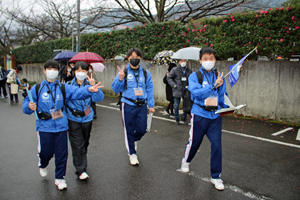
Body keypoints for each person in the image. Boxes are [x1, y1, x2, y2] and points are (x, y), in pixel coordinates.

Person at [22, 60, 103, 190]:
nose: (52, 71)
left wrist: (89, 89)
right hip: (44, 126)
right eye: (49, 69)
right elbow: (26, 105)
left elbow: (77, 93)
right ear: (44, 71)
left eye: (55, 69)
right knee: (46, 152)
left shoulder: (63, 87)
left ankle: (60, 178)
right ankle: (43, 163)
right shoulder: (37, 88)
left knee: (62, 152)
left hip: (61, 125)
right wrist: (29, 107)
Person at [180, 47, 229, 191]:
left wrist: (226, 107)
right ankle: (186, 160)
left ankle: (216, 176)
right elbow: (197, 94)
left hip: (214, 116)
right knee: (195, 142)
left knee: (216, 145)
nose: (209, 61)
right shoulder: (194, 76)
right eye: (206, 58)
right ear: (200, 60)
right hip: (199, 114)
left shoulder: (219, 76)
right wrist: (214, 86)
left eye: (211, 58)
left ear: (215, 60)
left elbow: (221, 96)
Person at [112, 47, 155, 166]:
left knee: (142, 129)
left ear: (140, 58)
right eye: (132, 57)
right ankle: (132, 154)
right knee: (129, 129)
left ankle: (132, 140)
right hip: (128, 104)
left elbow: (150, 89)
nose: (134, 59)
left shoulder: (145, 73)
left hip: (142, 105)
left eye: (136, 57)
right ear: (128, 58)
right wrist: (120, 78)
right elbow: (115, 89)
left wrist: (151, 105)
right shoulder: (123, 71)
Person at [66, 61, 105, 180]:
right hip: (73, 118)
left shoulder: (90, 84)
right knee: (77, 144)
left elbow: (99, 99)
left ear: (87, 72)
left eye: (83, 70)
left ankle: (81, 160)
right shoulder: (68, 85)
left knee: (84, 142)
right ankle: (80, 170)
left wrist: (95, 88)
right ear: (74, 72)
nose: (80, 73)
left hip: (87, 118)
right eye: (78, 70)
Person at [167, 59, 192, 125]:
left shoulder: (189, 70)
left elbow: (192, 79)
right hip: (177, 90)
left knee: (186, 105)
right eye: (181, 61)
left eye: (184, 61)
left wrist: (189, 86)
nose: (183, 62)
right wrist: (174, 85)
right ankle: (177, 118)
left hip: (186, 90)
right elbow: (169, 78)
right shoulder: (174, 70)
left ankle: (184, 117)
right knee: (176, 105)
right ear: (179, 62)